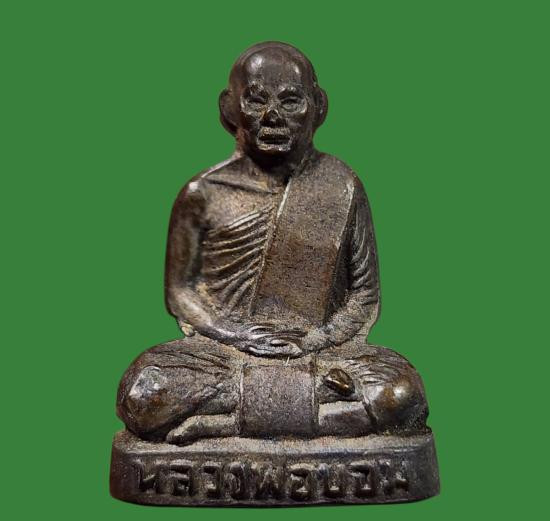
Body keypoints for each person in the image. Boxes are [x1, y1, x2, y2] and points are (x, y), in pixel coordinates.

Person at [116, 42, 428, 444]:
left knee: (402, 392)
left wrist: (316, 340)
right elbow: (181, 292)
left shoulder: (342, 185)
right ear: (229, 108)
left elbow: (364, 296)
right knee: (144, 392)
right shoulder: (203, 194)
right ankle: (318, 415)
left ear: (318, 107)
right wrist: (237, 336)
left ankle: (228, 421)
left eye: (290, 101)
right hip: (226, 356)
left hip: (321, 355)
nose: (273, 116)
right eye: (257, 100)